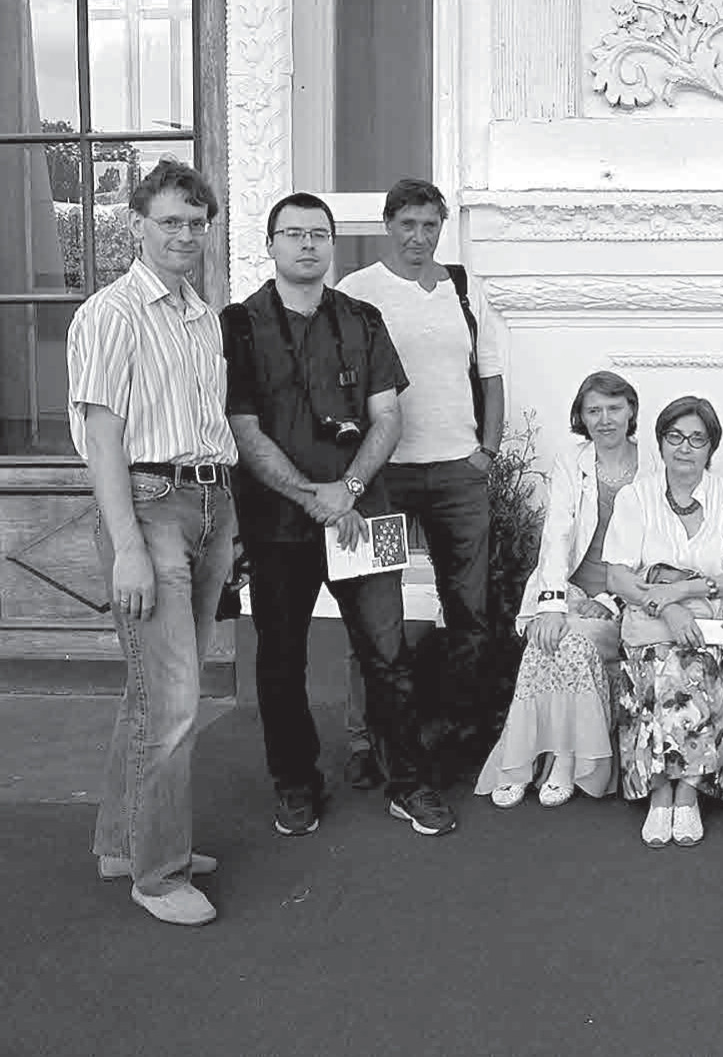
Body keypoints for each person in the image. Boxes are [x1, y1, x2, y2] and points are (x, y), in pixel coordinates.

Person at [222, 193, 455, 839]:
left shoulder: (362, 318)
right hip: (278, 524)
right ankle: (295, 783)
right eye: (293, 233)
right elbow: (243, 429)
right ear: (270, 244)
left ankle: (407, 783)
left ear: (332, 243)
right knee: (280, 661)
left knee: (387, 655)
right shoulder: (238, 325)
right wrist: (313, 497)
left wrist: (348, 489)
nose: (307, 244)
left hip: (363, 513)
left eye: (319, 234)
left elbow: (388, 417)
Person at [67, 160, 238, 926]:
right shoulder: (113, 314)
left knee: (155, 691)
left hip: (210, 501)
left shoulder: (202, 316)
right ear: (137, 226)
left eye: (196, 223)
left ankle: (123, 842)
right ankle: (160, 876)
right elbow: (102, 438)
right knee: (172, 699)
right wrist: (128, 546)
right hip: (149, 505)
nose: (185, 234)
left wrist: (228, 521)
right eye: (170, 221)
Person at [335, 178, 507, 786]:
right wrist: (351, 470)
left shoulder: (463, 289)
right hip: (384, 478)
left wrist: (486, 453)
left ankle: (458, 733)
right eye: (407, 224)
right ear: (388, 225)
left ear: (442, 227)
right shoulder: (357, 292)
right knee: (371, 610)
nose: (419, 236)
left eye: (430, 225)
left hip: (457, 475)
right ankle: (366, 739)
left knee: (469, 610)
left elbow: (491, 377)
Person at [474, 371, 658, 809]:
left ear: (631, 410)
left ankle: (562, 760)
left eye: (614, 408)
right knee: (547, 637)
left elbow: (658, 551)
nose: (605, 419)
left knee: (570, 642)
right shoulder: (572, 461)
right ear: (582, 416)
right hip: (570, 588)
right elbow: (555, 534)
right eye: (594, 410)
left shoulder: (655, 464)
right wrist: (552, 604)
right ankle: (523, 761)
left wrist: (610, 600)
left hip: (626, 599)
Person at [604, 396, 723, 848]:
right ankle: (661, 794)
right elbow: (618, 577)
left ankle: (688, 791)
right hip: (649, 614)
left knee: (695, 658)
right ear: (660, 442)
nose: (685, 447)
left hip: (716, 618)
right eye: (675, 437)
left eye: (697, 439)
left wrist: (680, 593)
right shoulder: (636, 497)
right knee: (664, 657)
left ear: (711, 446)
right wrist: (668, 609)